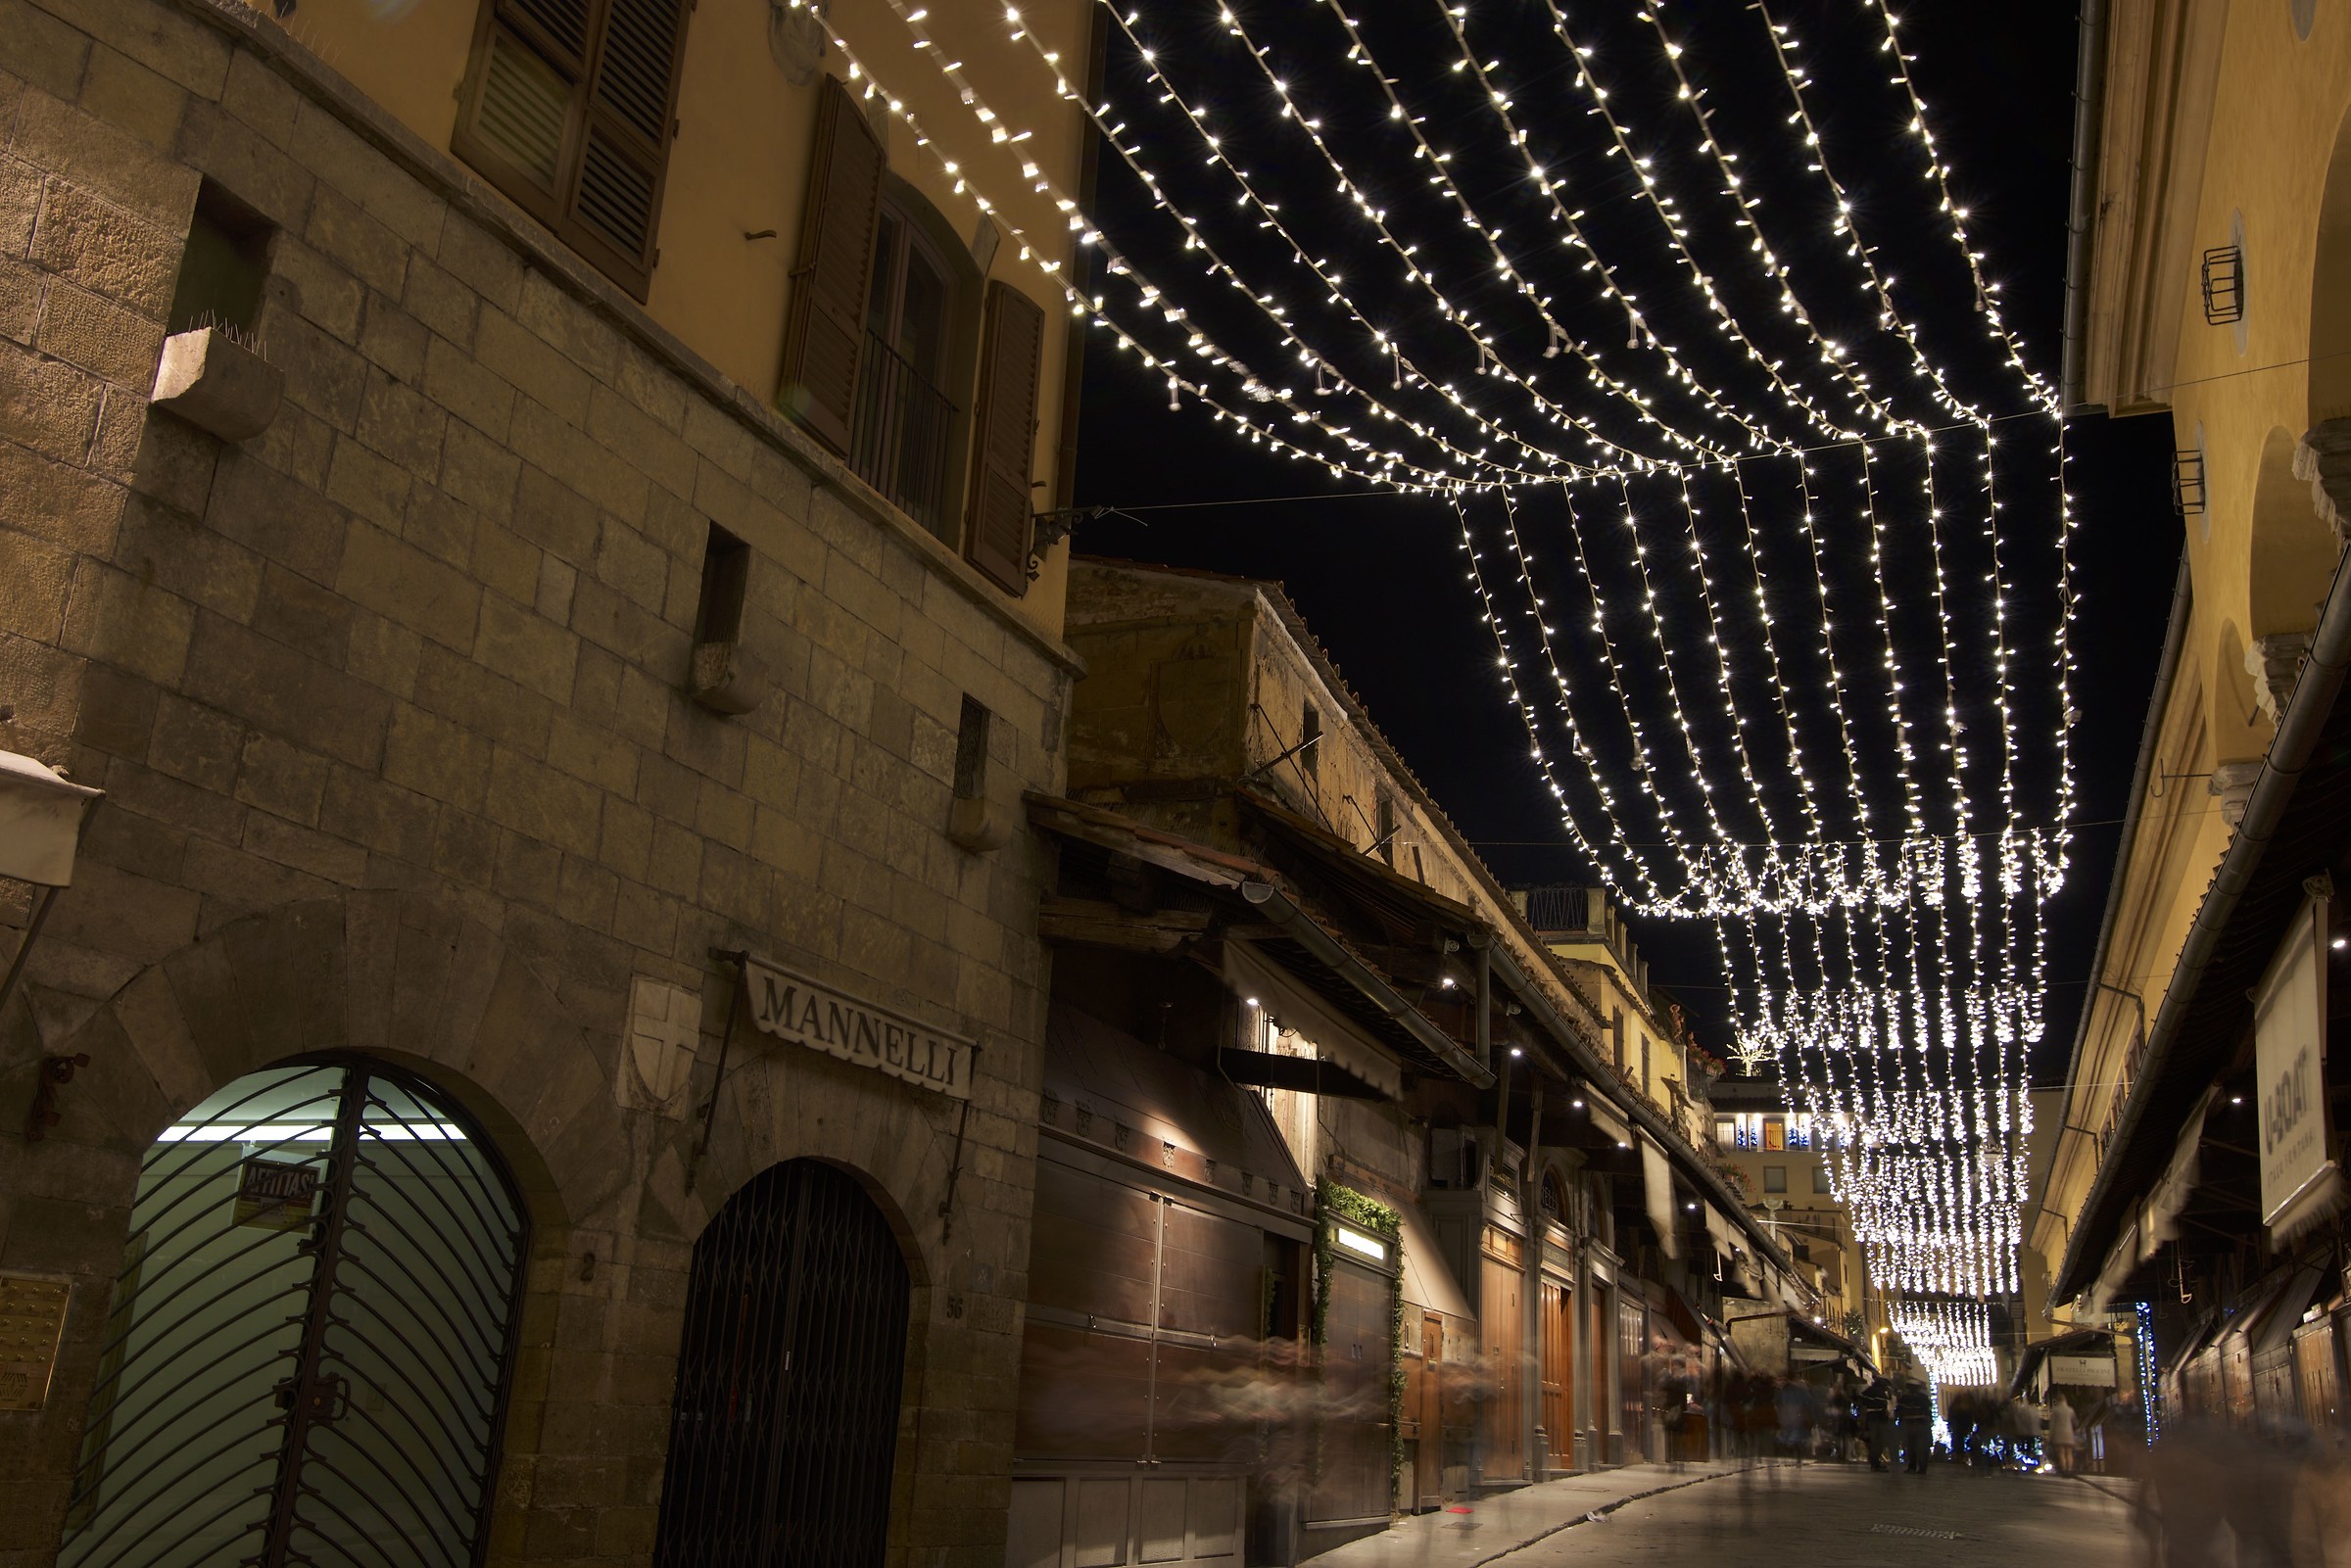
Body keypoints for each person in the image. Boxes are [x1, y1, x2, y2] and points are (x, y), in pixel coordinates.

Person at [1895, 1380, 1934, 1474]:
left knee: (1911, 1447)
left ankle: (1912, 1467)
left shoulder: (1904, 1398)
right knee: (1922, 1448)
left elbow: (1899, 1411)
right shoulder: (1924, 1398)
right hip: (1922, 1424)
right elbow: (1928, 1411)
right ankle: (1922, 1468)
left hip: (1908, 1424)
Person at [1860, 1374, 1895, 1472]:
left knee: (1874, 1441)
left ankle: (1874, 1462)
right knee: (1879, 1441)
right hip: (1879, 1419)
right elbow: (1884, 1407)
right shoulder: (1881, 1393)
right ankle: (1875, 1463)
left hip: (1870, 1419)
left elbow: (1861, 1403)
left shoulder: (1867, 1391)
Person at [2046, 1395, 2078, 1475]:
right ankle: (2069, 1469)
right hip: (2069, 1434)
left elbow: (2052, 1425)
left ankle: (2064, 1470)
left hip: (2059, 1434)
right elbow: (2075, 1423)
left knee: (2061, 1452)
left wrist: (2050, 1437)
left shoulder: (2056, 1410)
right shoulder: (2070, 1410)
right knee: (2069, 1453)